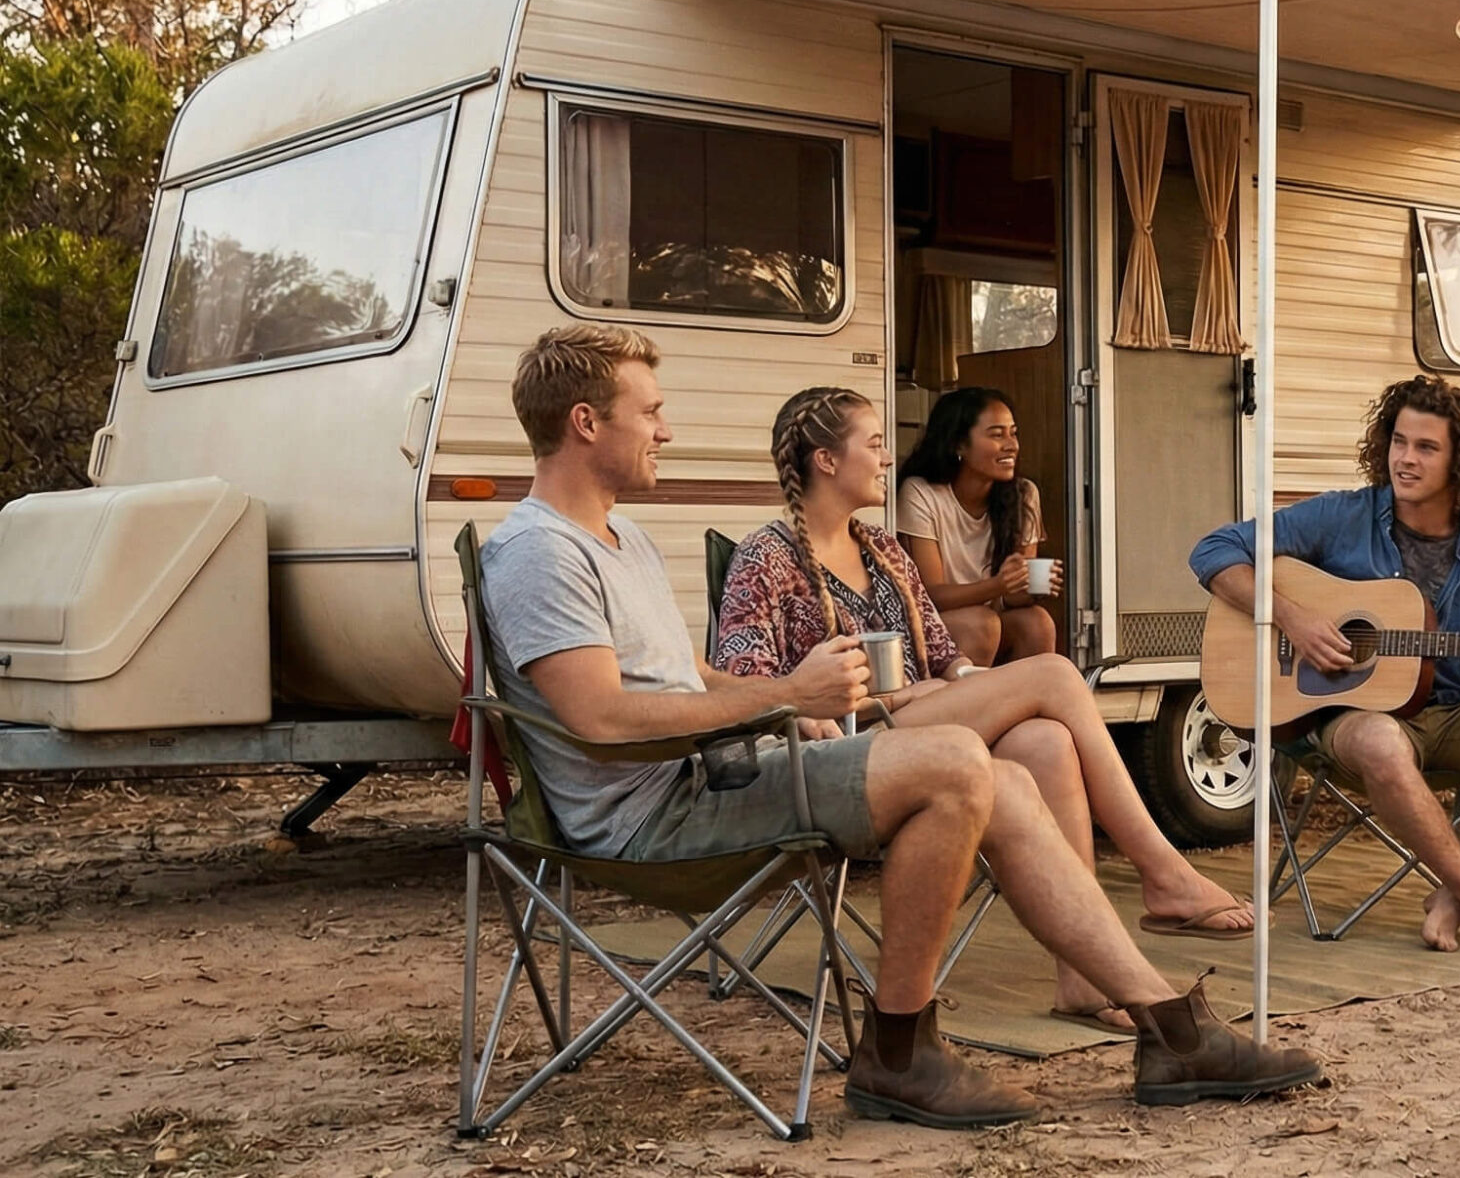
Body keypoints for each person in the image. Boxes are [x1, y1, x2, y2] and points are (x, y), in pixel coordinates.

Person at [476, 325, 1321, 1128]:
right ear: (586, 422)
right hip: (655, 813)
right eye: (650, 412)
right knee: (954, 761)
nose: (665, 429)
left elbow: (690, 674)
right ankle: (898, 1052)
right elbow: (600, 717)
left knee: (1008, 777)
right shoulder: (543, 553)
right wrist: (788, 697)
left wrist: (782, 700)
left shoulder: (622, 538)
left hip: (718, 771)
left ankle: (1170, 1029)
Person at [715, 385, 1256, 1034]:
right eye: (875, 445)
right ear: (826, 461)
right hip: (840, 749)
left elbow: (946, 657)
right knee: (1054, 673)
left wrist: (977, 689)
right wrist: (887, 696)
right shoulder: (766, 557)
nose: (887, 459)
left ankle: (1081, 981)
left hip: (917, 728)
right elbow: (745, 679)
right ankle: (1162, 871)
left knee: (1046, 741)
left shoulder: (882, 550)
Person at [1190, 374, 1460, 954]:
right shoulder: (1342, 517)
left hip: (1448, 716)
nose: (1405, 459)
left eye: (1426, 448)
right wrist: (1294, 620)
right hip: (1349, 721)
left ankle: (1453, 897)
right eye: (1399, 442)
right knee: (1381, 739)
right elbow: (1213, 551)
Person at [898, 387, 1054, 667]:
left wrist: (1031, 586)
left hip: (991, 617)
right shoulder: (920, 493)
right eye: (997, 435)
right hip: (936, 621)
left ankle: (1026, 695)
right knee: (982, 624)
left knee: (1037, 623)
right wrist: (997, 585)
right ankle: (973, 696)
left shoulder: (1024, 494)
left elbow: (1012, 598)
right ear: (958, 445)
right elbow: (931, 595)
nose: (1011, 445)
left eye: (1013, 433)